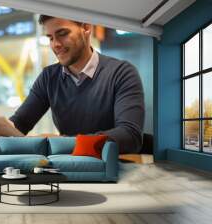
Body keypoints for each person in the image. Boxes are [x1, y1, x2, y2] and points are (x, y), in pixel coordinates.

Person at [9, 15, 145, 153]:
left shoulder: (121, 73)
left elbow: (130, 135)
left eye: (62, 34)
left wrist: (63, 143)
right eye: (50, 38)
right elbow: (20, 123)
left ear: (86, 27)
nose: (55, 44)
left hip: (112, 166)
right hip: (67, 167)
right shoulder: (49, 77)